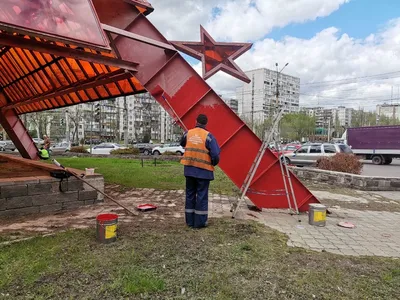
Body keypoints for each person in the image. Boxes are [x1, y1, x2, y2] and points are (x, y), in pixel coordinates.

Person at [180, 114, 220, 228]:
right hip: (203, 171)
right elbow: (216, 154)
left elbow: (182, 143)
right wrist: (213, 162)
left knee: (190, 195)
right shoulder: (209, 136)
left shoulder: (188, 133)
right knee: (201, 196)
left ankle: (189, 221)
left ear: (196, 121)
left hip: (189, 169)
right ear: (206, 123)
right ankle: (200, 223)